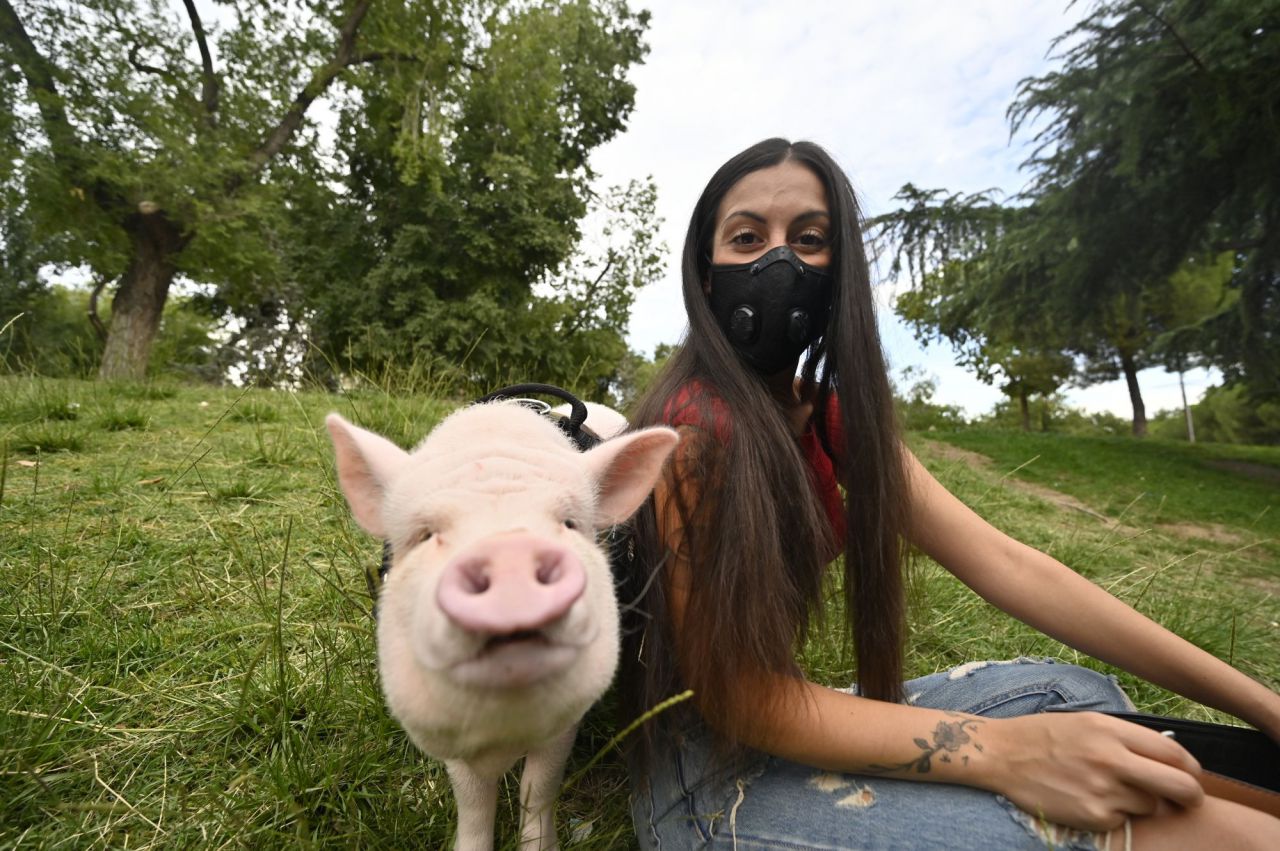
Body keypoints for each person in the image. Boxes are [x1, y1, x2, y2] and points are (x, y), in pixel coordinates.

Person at [618, 138, 1280, 850]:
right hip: (701, 786)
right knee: (1112, 821)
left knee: (1078, 702)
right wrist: (1006, 754)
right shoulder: (692, 439)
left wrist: (1260, 702)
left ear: (839, 272)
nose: (778, 260)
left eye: (809, 239)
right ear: (708, 277)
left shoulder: (834, 419)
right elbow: (738, 697)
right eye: (747, 237)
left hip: (795, 723)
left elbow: (1009, 564)